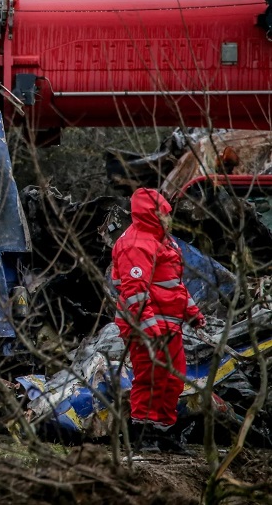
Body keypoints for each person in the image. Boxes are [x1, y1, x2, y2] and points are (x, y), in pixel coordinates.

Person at [112, 187, 205, 452]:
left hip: (167, 325)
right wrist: (149, 328)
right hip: (146, 327)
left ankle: (163, 432)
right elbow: (134, 291)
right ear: (153, 213)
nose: (168, 217)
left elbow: (173, 284)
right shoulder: (136, 243)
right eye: (164, 212)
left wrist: (192, 313)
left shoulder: (162, 240)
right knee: (150, 378)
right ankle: (142, 433)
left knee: (172, 379)